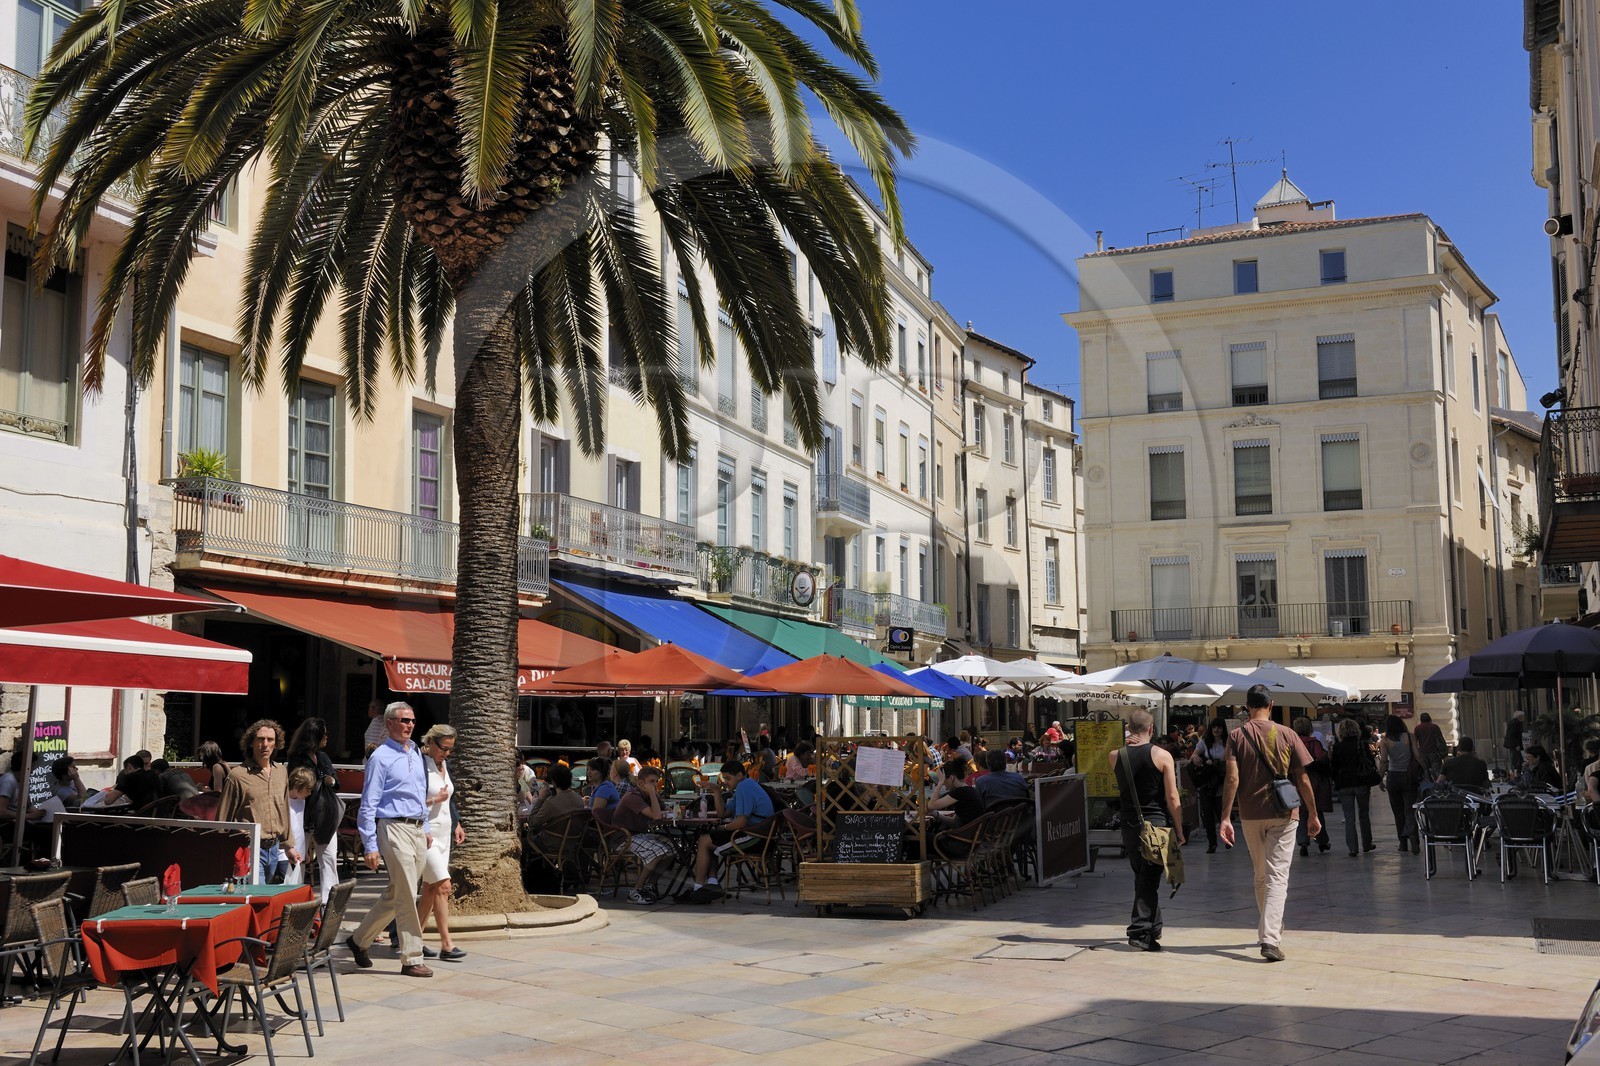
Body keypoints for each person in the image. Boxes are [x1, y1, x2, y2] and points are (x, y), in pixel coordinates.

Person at [1217, 685, 1319, 963]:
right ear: (1271, 704)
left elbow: (1232, 779)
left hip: (1250, 814)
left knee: (1262, 874)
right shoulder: (1287, 734)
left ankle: (1269, 927)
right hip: (1285, 812)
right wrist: (1313, 812)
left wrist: (1226, 816)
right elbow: (1303, 778)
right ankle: (1270, 937)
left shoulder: (1236, 736)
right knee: (1276, 877)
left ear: (1247, 706)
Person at [346, 702, 432, 978]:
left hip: (417, 829)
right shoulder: (380, 757)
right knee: (407, 893)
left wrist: (426, 826)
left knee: (397, 891)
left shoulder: (416, 752)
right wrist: (369, 845)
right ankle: (411, 956)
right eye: (404, 720)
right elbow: (368, 804)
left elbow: (420, 793)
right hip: (393, 828)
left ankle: (359, 939)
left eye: (412, 720)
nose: (409, 725)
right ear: (389, 723)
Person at [1109, 708, 1184, 952]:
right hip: (1156, 823)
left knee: (1143, 876)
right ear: (1152, 729)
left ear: (1129, 728)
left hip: (1129, 823)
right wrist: (1180, 830)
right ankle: (1140, 931)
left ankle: (1154, 926)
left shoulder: (1114, 755)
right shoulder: (1162, 756)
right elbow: (1173, 797)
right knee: (1149, 877)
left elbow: (1128, 761)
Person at [682, 760, 773, 903]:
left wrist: (723, 828)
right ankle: (711, 883)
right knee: (710, 839)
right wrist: (716, 790)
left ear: (739, 775)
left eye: (728, 779)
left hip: (756, 837)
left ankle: (698, 888)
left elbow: (741, 822)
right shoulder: (744, 786)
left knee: (705, 841)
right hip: (761, 835)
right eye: (724, 779)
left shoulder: (744, 786)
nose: (726, 782)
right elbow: (722, 814)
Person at [218, 719, 291, 883]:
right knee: (256, 895)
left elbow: (284, 810)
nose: (265, 744)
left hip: (274, 848)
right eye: (260, 739)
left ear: (276, 744)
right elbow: (223, 820)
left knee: (264, 896)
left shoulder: (281, 772)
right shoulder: (238, 775)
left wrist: (289, 845)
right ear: (251, 742)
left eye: (270, 740)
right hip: (249, 849)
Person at [417, 725, 466, 962]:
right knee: (444, 886)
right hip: (425, 835)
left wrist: (457, 823)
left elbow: (451, 799)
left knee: (430, 888)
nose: (447, 753)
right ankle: (447, 944)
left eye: (450, 749)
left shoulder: (445, 765)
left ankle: (414, 939)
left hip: (445, 833)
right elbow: (410, 801)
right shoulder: (419, 764)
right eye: (444, 748)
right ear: (431, 743)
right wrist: (434, 799)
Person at [287, 717, 342, 901]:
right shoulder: (296, 759)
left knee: (329, 860)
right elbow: (297, 785)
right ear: (315, 736)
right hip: (303, 815)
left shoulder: (323, 757)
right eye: (324, 734)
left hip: (325, 815)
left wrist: (331, 781)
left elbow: (336, 783)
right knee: (298, 859)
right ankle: (294, 903)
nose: (327, 737)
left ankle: (329, 906)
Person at [610, 765, 677, 904]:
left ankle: (649, 885)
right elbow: (657, 816)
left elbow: (668, 810)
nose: (655, 785)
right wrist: (653, 793)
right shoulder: (632, 796)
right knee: (657, 851)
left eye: (656, 781)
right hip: (623, 838)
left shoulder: (651, 795)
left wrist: (655, 796)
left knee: (672, 848)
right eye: (652, 781)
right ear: (641, 783)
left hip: (639, 835)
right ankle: (635, 891)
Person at [1329, 718, 1376, 856]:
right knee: (1364, 814)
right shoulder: (1361, 744)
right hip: (1361, 782)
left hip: (1344, 784)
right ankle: (1367, 844)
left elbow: (1334, 767)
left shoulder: (1338, 747)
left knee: (1349, 817)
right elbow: (1371, 762)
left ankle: (1352, 848)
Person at [1377, 714, 1421, 855]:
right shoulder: (1410, 737)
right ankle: (1413, 836)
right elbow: (1418, 756)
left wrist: (1379, 778)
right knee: (1410, 810)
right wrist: (1426, 770)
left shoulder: (1385, 740)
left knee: (1398, 812)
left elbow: (1383, 761)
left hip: (1393, 777)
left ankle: (1403, 843)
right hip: (1409, 777)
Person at [1292, 718, 1332, 857]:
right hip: (1314, 781)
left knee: (1301, 812)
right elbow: (1322, 759)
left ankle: (1303, 841)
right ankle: (1322, 841)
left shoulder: (1293, 743)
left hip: (1297, 781)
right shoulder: (1314, 742)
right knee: (1316, 811)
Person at [1188, 719, 1229, 853]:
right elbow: (1194, 754)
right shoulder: (1205, 742)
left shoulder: (1228, 743)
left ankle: (1227, 837)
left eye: (1219, 727)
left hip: (1221, 782)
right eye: (1214, 727)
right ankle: (1212, 843)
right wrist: (1196, 758)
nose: (1216, 730)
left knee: (1221, 812)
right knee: (1208, 814)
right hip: (1206, 782)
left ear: (1223, 729)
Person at [283, 767, 314, 885]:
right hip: (285, 852)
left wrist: (304, 850)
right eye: (308, 789)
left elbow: (299, 825)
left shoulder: (302, 800)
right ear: (298, 786)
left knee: (296, 884)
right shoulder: (284, 800)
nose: (310, 793)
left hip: (299, 851)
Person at [528, 764, 584, 829]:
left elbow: (531, 823)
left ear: (553, 782)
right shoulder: (579, 799)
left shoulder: (551, 803)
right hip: (576, 837)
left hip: (551, 838)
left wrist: (540, 799)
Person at [1412, 712, 1447, 778]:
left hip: (1423, 753)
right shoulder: (1435, 727)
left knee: (1426, 772)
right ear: (1429, 718)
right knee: (1437, 771)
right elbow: (1440, 740)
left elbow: (1415, 741)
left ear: (1421, 719)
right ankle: (1438, 785)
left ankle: (1429, 785)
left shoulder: (1418, 728)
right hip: (1434, 752)